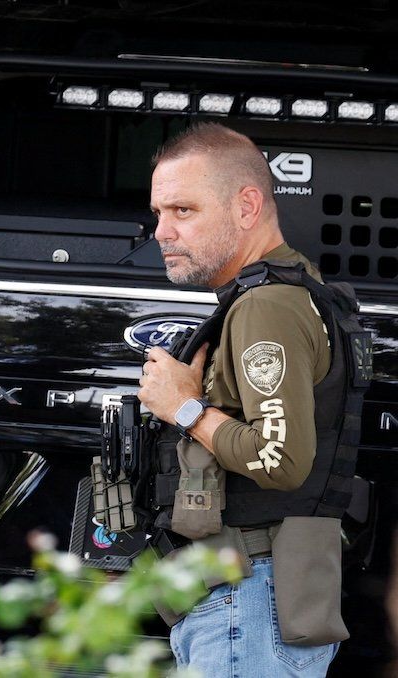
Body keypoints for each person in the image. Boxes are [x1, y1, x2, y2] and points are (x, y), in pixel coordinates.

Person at [137, 122, 367, 676]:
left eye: (183, 211)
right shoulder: (282, 293)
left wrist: (184, 410)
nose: (162, 231)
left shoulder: (269, 306)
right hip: (250, 597)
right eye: (159, 213)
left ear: (246, 206)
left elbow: (280, 460)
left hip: (251, 599)